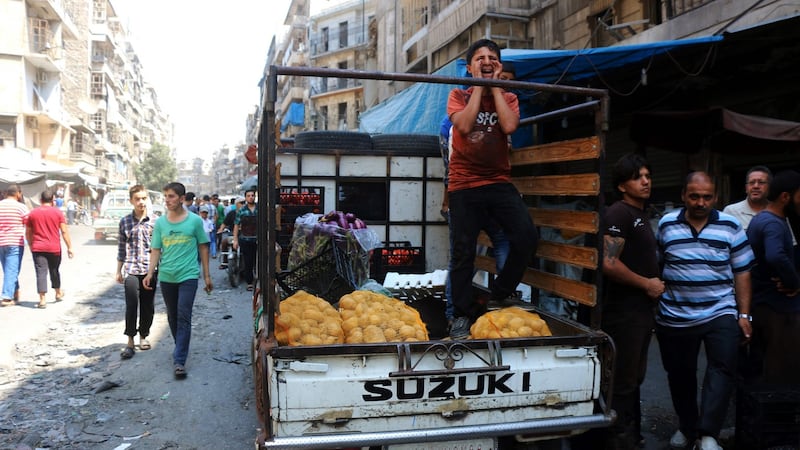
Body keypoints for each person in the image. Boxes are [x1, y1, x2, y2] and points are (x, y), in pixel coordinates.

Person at [446, 39, 538, 339]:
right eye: (480, 58)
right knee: (463, 252)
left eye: (492, 58)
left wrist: (495, 87)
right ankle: (460, 314)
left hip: (498, 181)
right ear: (470, 66)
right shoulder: (458, 94)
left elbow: (510, 126)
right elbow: (464, 126)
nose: (487, 61)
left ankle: (500, 292)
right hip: (464, 183)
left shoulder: (508, 98)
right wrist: (477, 86)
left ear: (498, 65)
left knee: (526, 236)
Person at [655, 171, 754, 450]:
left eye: (707, 197)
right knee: (680, 374)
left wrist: (744, 315)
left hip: (720, 311)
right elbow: (659, 265)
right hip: (674, 315)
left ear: (716, 197)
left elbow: (742, 272)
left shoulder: (730, 226)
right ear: (684, 195)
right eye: (694, 196)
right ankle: (687, 427)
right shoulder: (666, 225)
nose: (700, 202)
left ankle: (708, 434)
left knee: (722, 370)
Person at [599, 154, 664, 449]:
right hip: (624, 312)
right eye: (639, 177)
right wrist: (646, 284)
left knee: (634, 377)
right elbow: (609, 264)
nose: (646, 181)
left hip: (640, 311)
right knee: (623, 380)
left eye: (648, 175)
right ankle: (619, 440)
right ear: (623, 185)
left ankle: (631, 437)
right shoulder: (619, 214)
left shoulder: (640, 213)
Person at [143, 182, 212, 379]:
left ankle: (179, 359)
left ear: (182, 199)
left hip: (188, 275)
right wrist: (150, 273)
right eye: (166, 196)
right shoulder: (161, 224)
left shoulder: (195, 221)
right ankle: (180, 346)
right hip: (166, 276)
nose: (167, 200)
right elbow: (156, 249)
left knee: (183, 315)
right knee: (172, 317)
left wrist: (206, 275)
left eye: (171, 196)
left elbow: (203, 248)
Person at [746, 169, 800, 385]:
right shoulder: (772, 223)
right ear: (785, 197)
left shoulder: (767, 219)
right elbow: (775, 255)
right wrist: (794, 281)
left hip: (767, 305)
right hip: (775, 308)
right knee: (779, 370)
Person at [116, 185, 157, 360]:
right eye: (137, 199)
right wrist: (118, 271)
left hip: (150, 270)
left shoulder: (156, 221)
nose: (141, 202)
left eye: (143, 198)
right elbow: (121, 249)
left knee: (148, 306)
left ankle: (144, 336)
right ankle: (130, 340)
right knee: (131, 305)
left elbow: (159, 248)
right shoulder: (125, 222)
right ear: (131, 201)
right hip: (131, 270)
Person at [25, 189, 74, 309]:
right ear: (53, 200)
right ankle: (58, 293)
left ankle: (42, 300)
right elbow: (64, 231)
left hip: (38, 247)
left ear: (41, 200)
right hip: (54, 248)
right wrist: (69, 247)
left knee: (41, 272)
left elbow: (28, 232)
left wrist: (31, 244)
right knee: (54, 270)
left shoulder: (33, 213)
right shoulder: (58, 213)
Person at [0, 184, 29, 307]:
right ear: (18, 194)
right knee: (12, 269)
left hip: (1, 243)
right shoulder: (21, 207)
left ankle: (15, 293)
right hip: (15, 242)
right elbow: (29, 224)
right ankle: (6, 297)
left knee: (9, 269)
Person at [722, 165, 771, 231]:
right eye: (752, 182)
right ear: (746, 188)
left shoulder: (777, 210)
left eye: (761, 182)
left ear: (769, 187)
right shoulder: (731, 211)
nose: (756, 186)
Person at [233, 189, 258, 291]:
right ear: (246, 198)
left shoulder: (260, 209)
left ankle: (259, 280)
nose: (251, 197)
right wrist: (235, 239)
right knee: (248, 261)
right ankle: (249, 282)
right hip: (245, 239)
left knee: (258, 260)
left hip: (258, 239)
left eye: (252, 195)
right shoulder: (242, 210)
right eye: (249, 196)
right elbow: (236, 225)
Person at [218, 196, 244, 269]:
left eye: (244, 203)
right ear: (236, 204)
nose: (243, 204)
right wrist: (220, 230)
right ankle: (225, 262)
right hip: (233, 236)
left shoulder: (247, 213)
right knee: (224, 242)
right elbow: (225, 223)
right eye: (241, 203)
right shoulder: (231, 213)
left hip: (245, 236)